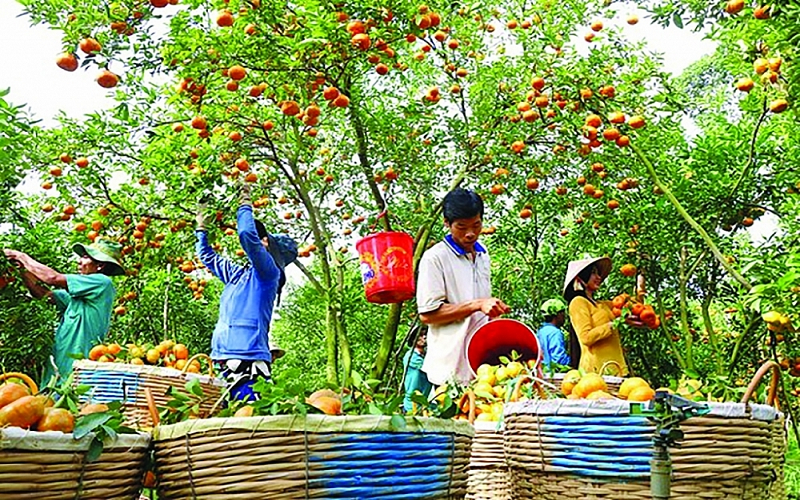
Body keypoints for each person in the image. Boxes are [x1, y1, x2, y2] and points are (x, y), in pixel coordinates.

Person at [195, 183, 297, 400]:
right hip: (221, 357)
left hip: (248, 360)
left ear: (268, 245)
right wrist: (202, 228)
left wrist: (245, 203)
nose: (259, 241)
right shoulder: (238, 275)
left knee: (247, 422)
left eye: (263, 239)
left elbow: (247, 235)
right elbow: (206, 256)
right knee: (225, 426)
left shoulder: (269, 274)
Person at [417, 188, 511, 386]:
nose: (470, 233)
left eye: (476, 225)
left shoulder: (483, 255)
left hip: (482, 368)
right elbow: (427, 315)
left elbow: (482, 307)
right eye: (461, 227)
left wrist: (492, 310)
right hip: (448, 371)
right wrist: (477, 305)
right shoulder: (435, 258)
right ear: (447, 223)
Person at [3, 239, 125, 385]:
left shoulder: (102, 283)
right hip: (58, 367)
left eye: (85, 257)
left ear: (100, 265)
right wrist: (22, 269)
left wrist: (21, 256)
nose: (79, 261)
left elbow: (52, 278)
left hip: (77, 370)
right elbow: (43, 294)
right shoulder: (78, 297)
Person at [563, 257, 628, 375]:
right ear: (580, 278)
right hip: (596, 371)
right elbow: (586, 337)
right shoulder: (578, 302)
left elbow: (633, 306)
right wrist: (611, 326)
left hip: (616, 368)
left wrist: (641, 277)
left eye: (598, 274)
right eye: (593, 273)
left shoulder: (602, 305)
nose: (598, 277)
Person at [402, 331, 433, 412]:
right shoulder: (411, 356)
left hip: (424, 404)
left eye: (425, 334)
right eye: (420, 335)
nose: (424, 337)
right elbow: (430, 368)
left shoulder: (427, 356)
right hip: (411, 405)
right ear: (413, 339)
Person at [536, 298, 571, 370]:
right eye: (563, 313)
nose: (564, 317)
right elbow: (558, 359)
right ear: (557, 315)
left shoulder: (540, 332)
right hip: (552, 376)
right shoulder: (555, 333)